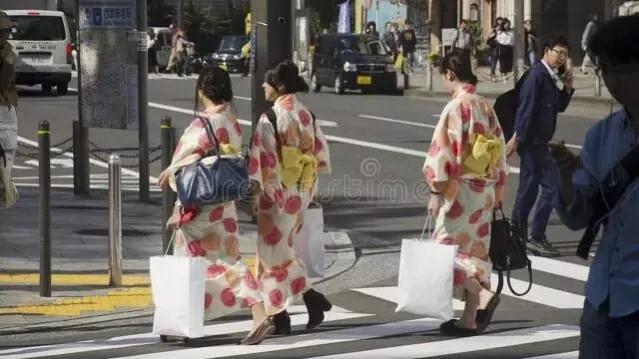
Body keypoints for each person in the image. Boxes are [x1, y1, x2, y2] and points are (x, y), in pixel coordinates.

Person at [551, 15, 639, 358]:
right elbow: (578, 217)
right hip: (603, 297)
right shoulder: (601, 135)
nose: (613, 80)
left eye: (623, 67)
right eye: (605, 69)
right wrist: (566, 175)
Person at [156, 66, 262, 336]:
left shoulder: (201, 125)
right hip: (224, 203)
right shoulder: (232, 121)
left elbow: (185, 169)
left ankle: (182, 318)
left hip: (200, 206)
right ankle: (259, 312)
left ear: (202, 90)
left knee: (189, 261)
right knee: (229, 259)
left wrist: (172, 179)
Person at [240, 60, 332, 345]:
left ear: (278, 85)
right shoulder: (306, 114)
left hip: (276, 191)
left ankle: (282, 314)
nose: (263, 86)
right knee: (282, 251)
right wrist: (308, 190)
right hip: (300, 190)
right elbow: (319, 155)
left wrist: (256, 193)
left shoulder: (272, 116)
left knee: (271, 256)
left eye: (267, 82)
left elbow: (264, 159)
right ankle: (306, 300)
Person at [424, 52, 508, 335]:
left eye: (443, 77)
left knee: (442, 252)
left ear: (449, 74)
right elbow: (499, 149)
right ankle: (469, 319)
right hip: (483, 190)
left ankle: (482, 295)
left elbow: (442, 152)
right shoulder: (486, 106)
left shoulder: (456, 107)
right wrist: (498, 189)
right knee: (475, 253)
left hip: (459, 190)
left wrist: (436, 189)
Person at [505, 36, 575, 257]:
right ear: (547, 50)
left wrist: (569, 86)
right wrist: (517, 138)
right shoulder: (537, 75)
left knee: (529, 191)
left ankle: (520, 236)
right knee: (550, 189)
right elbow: (526, 108)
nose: (561, 58)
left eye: (565, 55)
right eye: (558, 52)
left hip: (540, 144)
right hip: (532, 143)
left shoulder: (550, 75)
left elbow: (559, 107)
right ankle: (532, 236)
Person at [0, 12, 18, 209]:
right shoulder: (6, 54)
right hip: (3, 105)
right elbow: (5, 81)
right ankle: (6, 192)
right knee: (7, 150)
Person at [487, 17, 504, 82]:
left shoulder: (503, 31)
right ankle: (493, 76)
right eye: (497, 26)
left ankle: (502, 75)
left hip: (501, 50)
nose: (498, 28)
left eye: (499, 27)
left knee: (502, 64)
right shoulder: (493, 33)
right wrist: (492, 36)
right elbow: (488, 40)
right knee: (493, 64)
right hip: (494, 50)